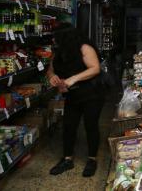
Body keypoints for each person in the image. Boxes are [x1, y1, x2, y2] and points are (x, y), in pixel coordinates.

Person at [47, 23, 104, 177]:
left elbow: (95, 68)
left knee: (90, 125)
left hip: (92, 93)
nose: (53, 40)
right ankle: (67, 159)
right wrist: (53, 77)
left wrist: (73, 78)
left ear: (64, 36)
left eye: (55, 37)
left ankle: (92, 159)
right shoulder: (59, 50)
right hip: (72, 95)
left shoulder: (84, 47)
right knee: (69, 126)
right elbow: (51, 69)